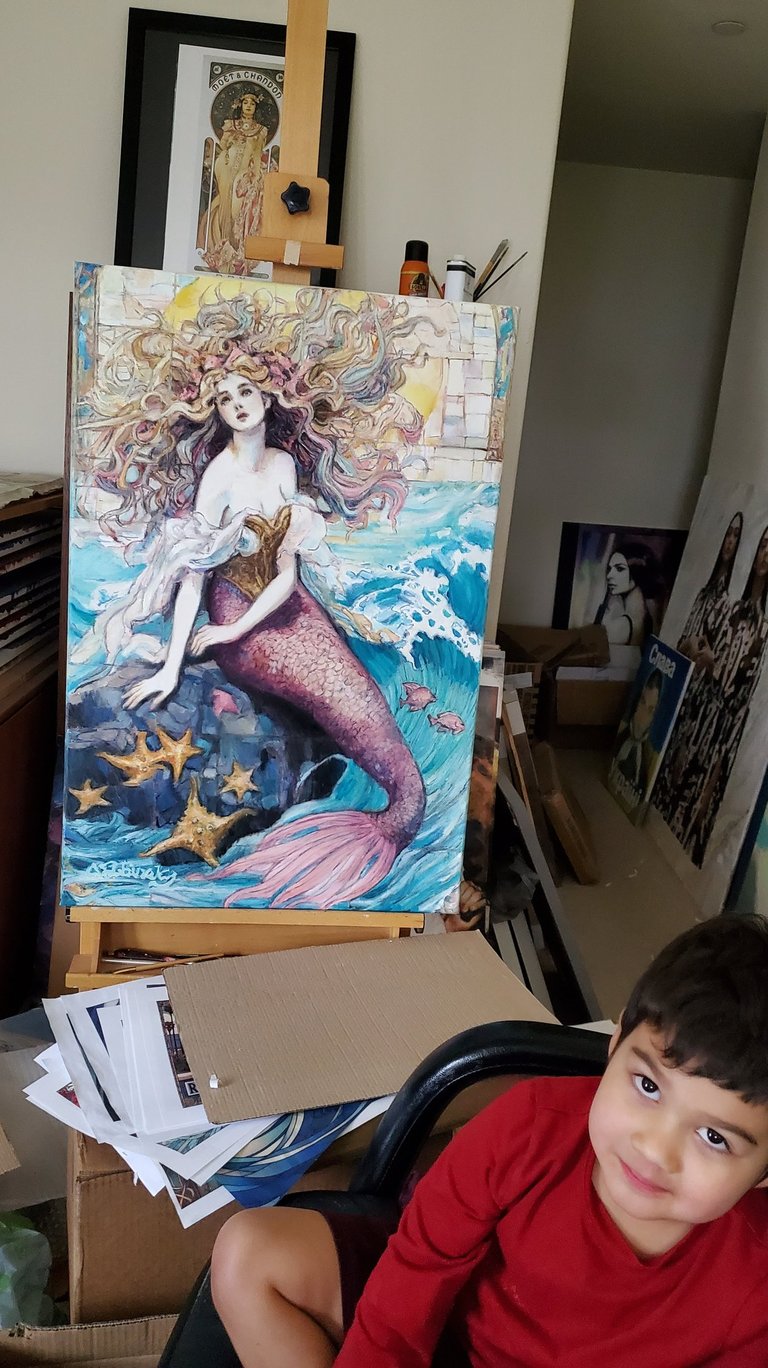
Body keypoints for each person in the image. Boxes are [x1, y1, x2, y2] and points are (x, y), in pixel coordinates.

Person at [211, 915, 768, 1367]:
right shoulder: (530, 1124)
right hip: (445, 1322)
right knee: (249, 1253)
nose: (655, 1149)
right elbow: (419, 1266)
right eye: (648, 1086)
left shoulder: (754, 1286)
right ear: (616, 1040)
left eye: (714, 1137)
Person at [76, 288, 430, 908]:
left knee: (361, 705)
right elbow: (193, 579)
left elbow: (288, 575)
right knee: (332, 691)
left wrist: (269, 621)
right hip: (238, 621)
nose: (237, 404)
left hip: (286, 608)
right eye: (225, 398)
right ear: (214, 410)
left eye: (246, 392)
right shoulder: (218, 478)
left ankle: (400, 812)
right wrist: (176, 663)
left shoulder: (284, 466)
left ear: (269, 398)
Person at [652, 511, 743, 852]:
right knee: (669, 763)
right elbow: (683, 643)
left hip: (702, 701)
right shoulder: (703, 593)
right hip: (682, 691)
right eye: (728, 534)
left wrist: (709, 661)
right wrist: (687, 647)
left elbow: (722, 665)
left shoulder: (729, 604)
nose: (729, 542)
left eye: (736, 536)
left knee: (685, 767)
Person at [205, 90, 270, 269]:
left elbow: (257, 154)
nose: (248, 106)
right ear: (240, 105)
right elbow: (223, 145)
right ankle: (220, 239)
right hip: (225, 166)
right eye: (246, 103)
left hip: (244, 170)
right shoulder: (230, 125)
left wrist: (255, 173)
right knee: (224, 199)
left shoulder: (261, 130)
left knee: (238, 205)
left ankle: (235, 244)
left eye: (252, 104)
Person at [594, 539, 663, 649]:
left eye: (619, 569)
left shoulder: (623, 626)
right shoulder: (646, 617)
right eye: (610, 569)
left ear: (636, 572)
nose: (610, 575)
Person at [612, 665, 663, 797]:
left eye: (650, 710)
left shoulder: (647, 762)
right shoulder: (620, 739)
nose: (642, 716)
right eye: (642, 702)